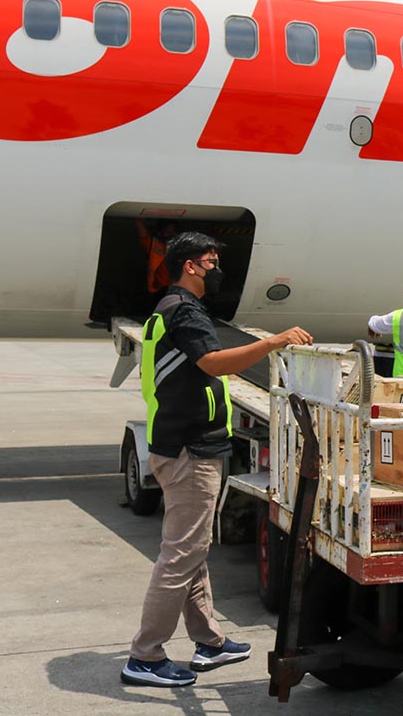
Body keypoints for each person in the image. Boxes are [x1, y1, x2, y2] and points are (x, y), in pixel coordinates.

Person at [124, 232, 313, 687]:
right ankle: (144, 656)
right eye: (210, 261)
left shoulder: (166, 309)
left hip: (177, 442)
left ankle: (209, 641)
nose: (216, 269)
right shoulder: (185, 311)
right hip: (189, 448)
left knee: (192, 548)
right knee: (181, 554)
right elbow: (213, 363)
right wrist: (274, 343)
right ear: (190, 266)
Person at [136, 218, 179, 295]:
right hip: (158, 290)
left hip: (176, 289)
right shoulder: (153, 245)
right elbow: (141, 230)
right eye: (167, 232)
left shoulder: (180, 248)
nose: (170, 235)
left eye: (173, 232)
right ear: (160, 232)